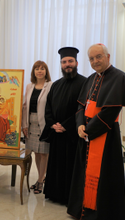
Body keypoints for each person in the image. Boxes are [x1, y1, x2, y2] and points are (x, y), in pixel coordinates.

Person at [67, 44, 125, 220]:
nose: (95, 61)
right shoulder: (90, 79)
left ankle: (97, 219)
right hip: (86, 134)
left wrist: (89, 130)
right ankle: (81, 210)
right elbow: (80, 106)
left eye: (98, 57)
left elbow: (110, 112)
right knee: (84, 174)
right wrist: (80, 125)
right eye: (92, 59)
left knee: (102, 178)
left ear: (107, 56)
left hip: (104, 136)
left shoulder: (119, 77)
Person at [40, 47, 86, 205]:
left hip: (73, 134)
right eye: (64, 62)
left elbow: (84, 109)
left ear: (76, 63)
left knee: (71, 166)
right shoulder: (56, 85)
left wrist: (66, 125)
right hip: (57, 133)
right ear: (60, 64)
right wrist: (53, 124)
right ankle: (54, 194)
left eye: (70, 61)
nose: (67, 64)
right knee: (56, 164)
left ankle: (68, 197)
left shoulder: (85, 83)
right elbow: (48, 108)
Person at [22, 60, 52, 194]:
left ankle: (40, 181)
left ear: (46, 71)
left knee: (44, 153)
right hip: (30, 123)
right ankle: (42, 177)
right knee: (35, 152)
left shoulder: (51, 86)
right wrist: (24, 124)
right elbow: (24, 107)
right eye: (37, 69)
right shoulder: (29, 86)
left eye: (42, 69)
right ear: (33, 72)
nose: (39, 71)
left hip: (44, 124)